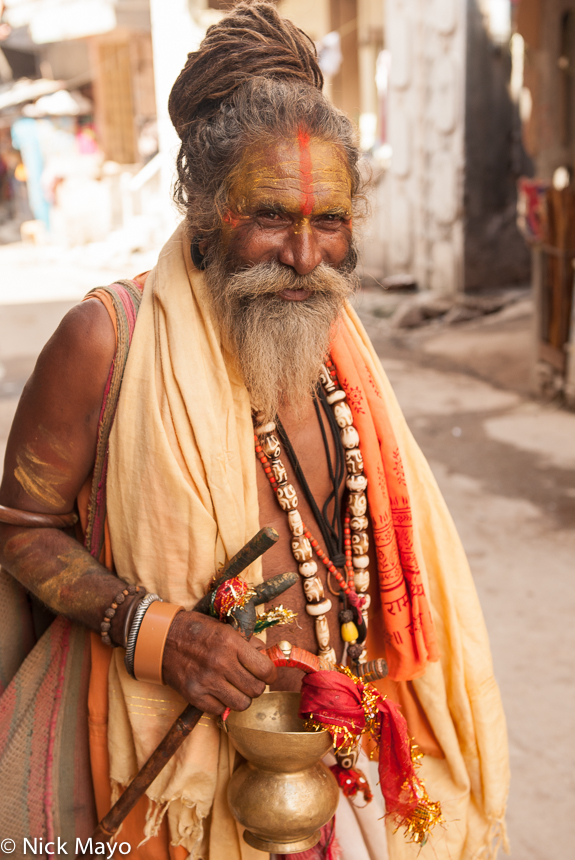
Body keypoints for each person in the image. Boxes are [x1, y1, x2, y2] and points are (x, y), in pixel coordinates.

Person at [0, 3, 509, 859]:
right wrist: (155, 630)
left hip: (310, 774)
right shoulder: (104, 338)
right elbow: (19, 526)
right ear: (204, 206)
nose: (306, 257)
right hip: (146, 785)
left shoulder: (335, 345)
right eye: (271, 214)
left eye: (331, 221)